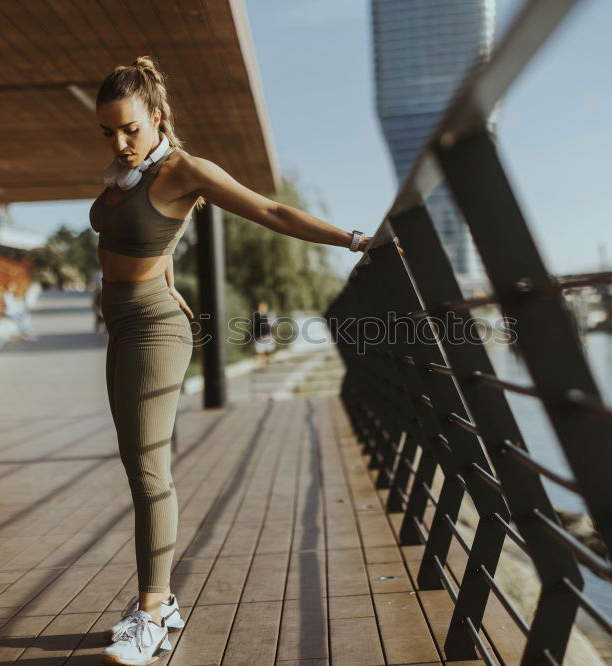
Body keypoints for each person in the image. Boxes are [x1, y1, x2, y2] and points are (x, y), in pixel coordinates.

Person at [88, 55, 396, 665]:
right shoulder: (126, 176)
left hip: (152, 328)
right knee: (135, 463)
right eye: (108, 132)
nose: (120, 143)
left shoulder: (185, 171)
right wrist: (168, 273)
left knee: (150, 469)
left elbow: (273, 212)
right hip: (123, 324)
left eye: (130, 129)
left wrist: (355, 240)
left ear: (155, 117)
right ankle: (164, 602)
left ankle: (150, 613)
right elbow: (150, 235)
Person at [251, 299, 276, 368]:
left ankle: (268, 361)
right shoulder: (256, 315)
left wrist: (272, 334)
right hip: (259, 336)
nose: (263, 308)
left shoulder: (269, 315)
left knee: (269, 350)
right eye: (261, 307)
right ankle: (262, 363)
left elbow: (272, 325)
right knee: (260, 350)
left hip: (267, 335)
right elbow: (253, 326)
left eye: (264, 307)